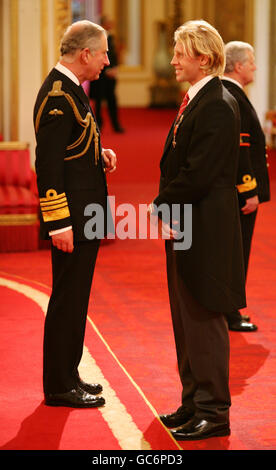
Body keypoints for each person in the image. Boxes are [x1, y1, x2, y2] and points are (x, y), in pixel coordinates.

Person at [147, 20, 246, 440]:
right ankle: (192, 402)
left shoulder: (218, 103)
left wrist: (159, 206)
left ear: (203, 58)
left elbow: (199, 173)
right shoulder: (197, 100)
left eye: (179, 54)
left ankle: (213, 410)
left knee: (203, 317)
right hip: (188, 223)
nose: (172, 61)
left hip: (206, 226)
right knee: (185, 319)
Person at [34, 20, 117, 408]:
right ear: (85, 54)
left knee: (77, 298)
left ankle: (69, 373)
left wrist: (97, 157)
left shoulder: (71, 90)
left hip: (86, 214)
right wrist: (59, 223)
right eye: (103, 52)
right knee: (68, 299)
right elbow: (48, 166)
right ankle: (58, 386)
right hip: (73, 219)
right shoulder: (57, 95)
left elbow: (70, 148)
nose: (107, 60)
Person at [222, 41, 270, 332]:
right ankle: (230, 311)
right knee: (236, 252)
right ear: (238, 66)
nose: (254, 67)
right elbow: (241, 146)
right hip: (241, 192)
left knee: (237, 250)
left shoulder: (233, 93)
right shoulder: (234, 96)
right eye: (251, 62)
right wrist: (248, 189)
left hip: (239, 190)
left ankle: (232, 307)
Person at [89, 16, 124, 132]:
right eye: (109, 22)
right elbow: (95, 56)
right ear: (103, 24)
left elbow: (114, 55)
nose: (111, 24)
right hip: (100, 76)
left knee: (112, 100)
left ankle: (116, 124)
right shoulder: (96, 39)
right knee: (98, 102)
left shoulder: (112, 37)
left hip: (110, 77)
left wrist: (114, 69)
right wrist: (106, 69)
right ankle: (98, 125)